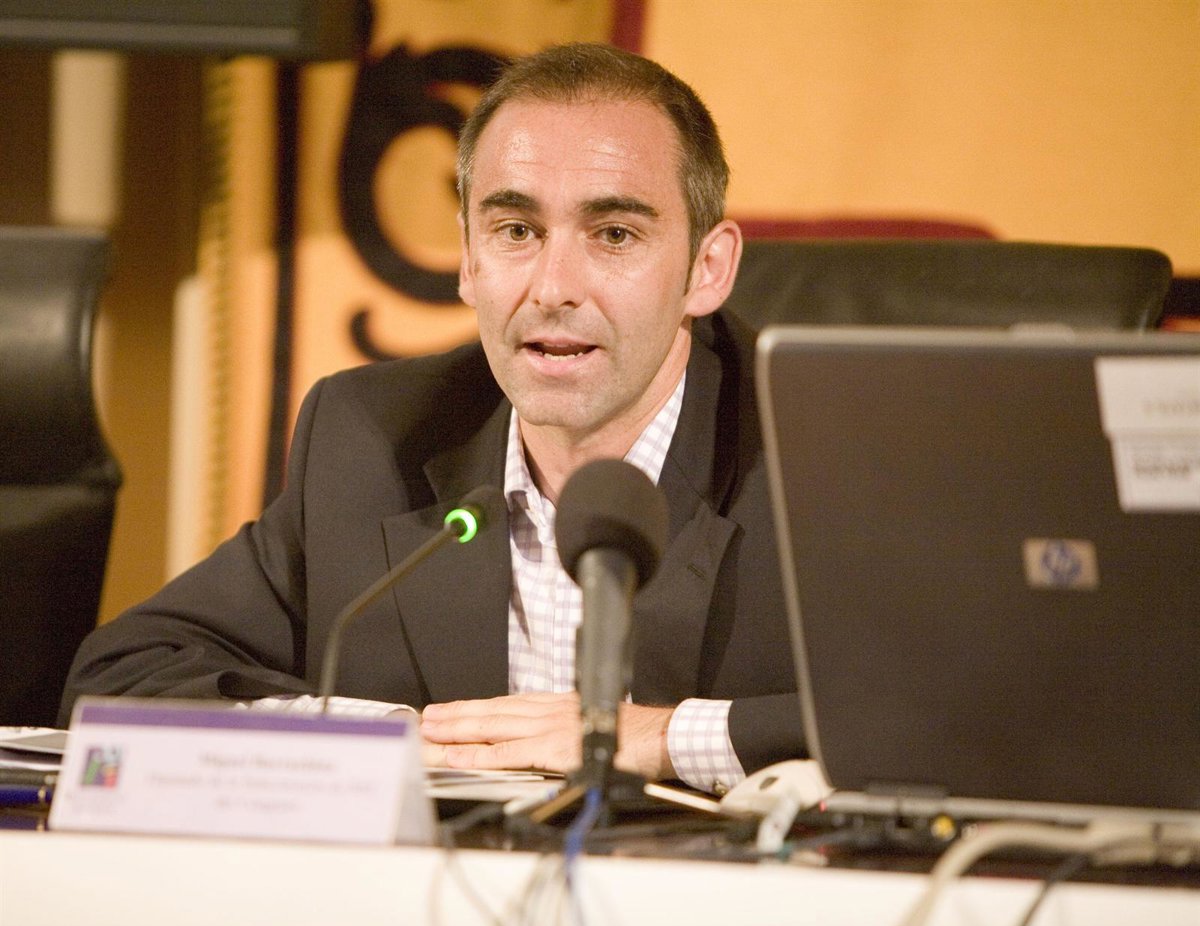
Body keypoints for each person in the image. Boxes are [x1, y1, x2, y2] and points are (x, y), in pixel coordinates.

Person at [61, 42, 803, 795]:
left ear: (707, 269)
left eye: (613, 234)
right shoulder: (373, 437)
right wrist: (384, 742)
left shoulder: (820, 453)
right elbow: (121, 676)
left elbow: (887, 719)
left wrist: (656, 736)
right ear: (468, 260)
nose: (553, 287)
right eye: (516, 231)